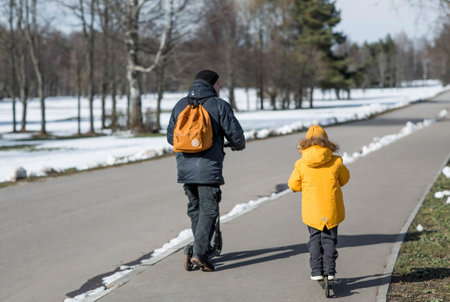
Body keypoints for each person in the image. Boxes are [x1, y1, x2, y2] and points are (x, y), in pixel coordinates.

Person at [167, 69, 246, 271]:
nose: (220, 87)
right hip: (208, 170)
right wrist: (236, 144)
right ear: (212, 84)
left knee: (196, 209)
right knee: (209, 210)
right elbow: (236, 136)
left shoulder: (180, 105)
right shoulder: (219, 105)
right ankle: (199, 253)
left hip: (185, 169)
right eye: (219, 84)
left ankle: (200, 248)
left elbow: (170, 137)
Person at [288, 125, 350, 281]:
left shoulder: (301, 164)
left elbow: (293, 184)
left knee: (314, 239)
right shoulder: (336, 161)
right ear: (326, 141)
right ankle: (330, 271)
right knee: (329, 239)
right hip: (331, 208)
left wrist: (304, 186)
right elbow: (345, 178)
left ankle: (316, 271)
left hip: (312, 210)